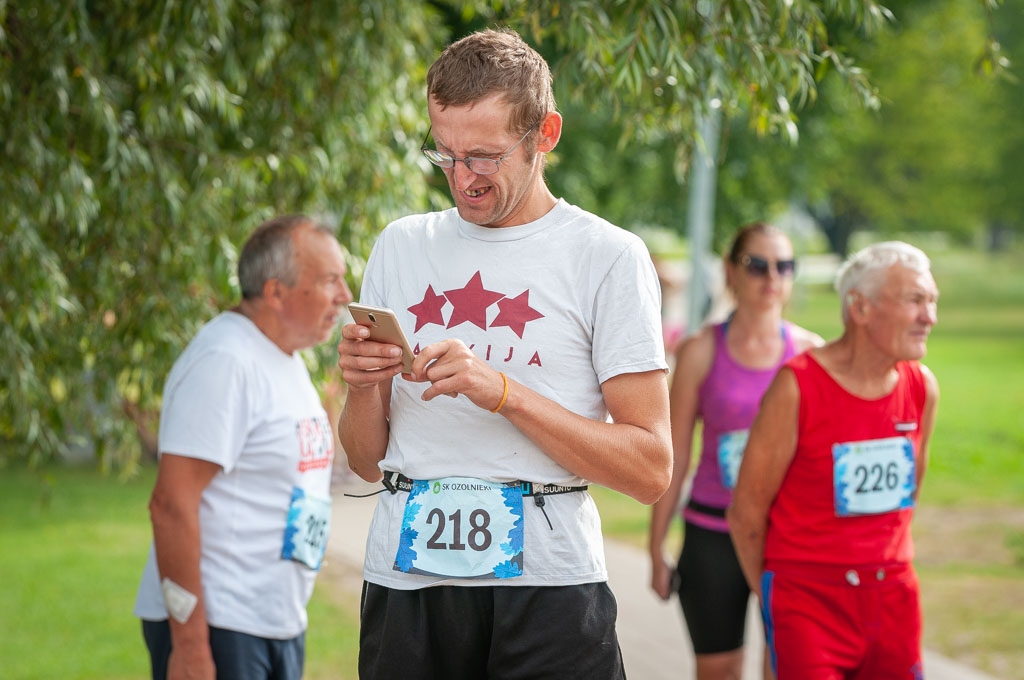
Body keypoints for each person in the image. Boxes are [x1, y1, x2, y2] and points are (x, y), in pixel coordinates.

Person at [336, 27, 672, 680]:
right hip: (409, 580)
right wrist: (362, 385)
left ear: (545, 134)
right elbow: (366, 460)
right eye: (445, 154)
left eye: (485, 157)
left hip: (550, 586)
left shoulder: (608, 256)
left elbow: (649, 469)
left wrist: (504, 394)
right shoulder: (401, 244)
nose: (463, 179)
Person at [133, 215, 353, 680]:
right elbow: (170, 505)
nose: (345, 295)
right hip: (219, 626)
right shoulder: (225, 361)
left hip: (271, 620)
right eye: (330, 280)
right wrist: (190, 645)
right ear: (275, 292)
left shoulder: (284, 357)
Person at [728, 241, 940, 680]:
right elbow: (746, 513)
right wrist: (776, 598)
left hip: (893, 597)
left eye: (932, 301)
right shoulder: (797, 387)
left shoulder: (922, 386)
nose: (930, 317)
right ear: (859, 307)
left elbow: (908, 497)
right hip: (808, 601)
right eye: (915, 300)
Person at [648, 223, 823, 680]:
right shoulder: (700, 351)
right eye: (757, 265)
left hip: (785, 537)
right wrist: (656, 547)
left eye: (784, 266)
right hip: (713, 534)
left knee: (783, 667)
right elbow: (674, 457)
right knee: (719, 670)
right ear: (731, 272)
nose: (772, 278)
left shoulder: (810, 353)